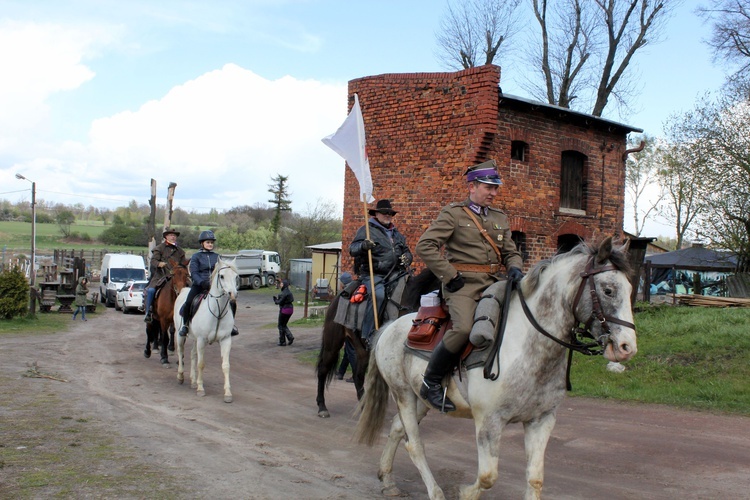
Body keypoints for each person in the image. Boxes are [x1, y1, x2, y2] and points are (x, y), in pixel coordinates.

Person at [415, 159, 524, 412]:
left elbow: (510, 252)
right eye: (489, 188)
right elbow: (425, 246)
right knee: (463, 329)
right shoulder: (453, 214)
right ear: (472, 186)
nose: (494, 193)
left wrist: (515, 267)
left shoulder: (500, 218)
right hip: (462, 284)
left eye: (496, 188)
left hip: (494, 283)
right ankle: (430, 381)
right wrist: (450, 275)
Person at [349, 199, 413, 345]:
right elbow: (352, 249)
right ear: (376, 214)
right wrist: (363, 246)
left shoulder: (396, 233)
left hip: (396, 272)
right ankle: (368, 333)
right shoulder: (366, 229)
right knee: (378, 295)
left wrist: (407, 258)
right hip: (374, 273)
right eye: (384, 213)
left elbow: (407, 251)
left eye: (390, 213)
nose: (387, 215)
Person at [177, 230, 238, 337]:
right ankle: (185, 325)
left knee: (232, 302)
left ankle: (231, 326)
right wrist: (201, 282)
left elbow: (223, 272)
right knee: (188, 302)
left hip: (215, 287)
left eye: (211, 242)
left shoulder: (217, 257)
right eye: (207, 242)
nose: (210, 244)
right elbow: (194, 272)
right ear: (202, 243)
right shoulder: (196, 256)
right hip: (200, 285)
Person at [144, 227, 186, 323]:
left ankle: (188, 312)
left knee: (190, 288)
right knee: (151, 290)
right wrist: (159, 264)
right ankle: (148, 311)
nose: (173, 237)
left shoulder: (180, 251)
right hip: (161, 276)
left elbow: (183, 264)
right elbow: (153, 260)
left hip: (177, 277)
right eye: (171, 235)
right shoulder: (159, 248)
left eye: (174, 235)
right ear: (166, 236)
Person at [335, 271, 356, 382]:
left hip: (349, 326)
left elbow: (342, 314)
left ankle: (355, 375)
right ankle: (340, 372)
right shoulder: (356, 289)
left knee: (351, 351)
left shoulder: (345, 293)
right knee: (348, 351)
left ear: (343, 283)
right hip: (356, 325)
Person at [273, 279, 294, 346]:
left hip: (284, 310)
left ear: (284, 285)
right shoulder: (289, 292)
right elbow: (292, 299)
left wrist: (275, 300)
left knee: (280, 325)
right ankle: (289, 338)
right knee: (284, 325)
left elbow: (279, 302)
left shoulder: (282, 293)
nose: (280, 285)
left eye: (281, 284)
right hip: (290, 309)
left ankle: (283, 341)